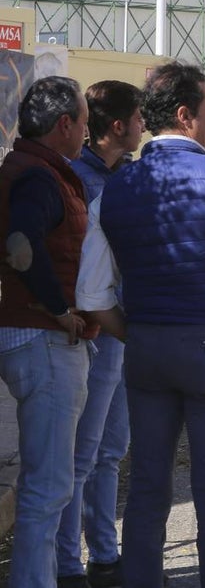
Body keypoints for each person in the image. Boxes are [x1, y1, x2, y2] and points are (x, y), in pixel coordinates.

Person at [86, 62, 205, 588]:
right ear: (185, 115)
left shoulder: (114, 189)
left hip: (146, 345)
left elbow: (91, 295)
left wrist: (135, 331)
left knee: (147, 488)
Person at [0, 76, 91, 588]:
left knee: (45, 483)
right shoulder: (40, 176)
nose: (86, 130)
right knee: (48, 486)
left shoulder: (33, 169)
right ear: (65, 124)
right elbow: (21, 241)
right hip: (43, 339)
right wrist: (59, 310)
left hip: (33, 334)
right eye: (82, 121)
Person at [58, 80, 143, 588]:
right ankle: (68, 563)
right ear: (118, 125)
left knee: (111, 449)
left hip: (123, 328)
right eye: (137, 118)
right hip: (89, 330)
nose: (142, 126)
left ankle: (104, 553)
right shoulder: (74, 179)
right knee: (81, 454)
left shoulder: (130, 177)